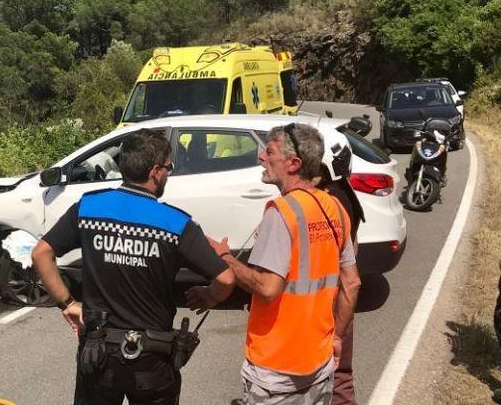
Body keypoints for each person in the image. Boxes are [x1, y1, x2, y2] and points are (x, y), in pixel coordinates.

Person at [31, 128, 236, 405]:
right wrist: (209, 296)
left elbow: (41, 254)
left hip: (98, 353)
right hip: (153, 359)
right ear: (155, 172)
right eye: (168, 167)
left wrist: (68, 303)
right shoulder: (175, 224)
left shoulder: (89, 208)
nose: (168, 173)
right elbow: (226, 278)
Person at [209, 123, 361, 405]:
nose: (261, 157)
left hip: (276, 370)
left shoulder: (282, 213)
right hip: (320, 361)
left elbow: (267, 288)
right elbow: (351, 283)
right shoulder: (335, 209)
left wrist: (225, 258)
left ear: (293, 164)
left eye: (269, 151)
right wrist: (336, 337)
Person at [315, 132, 364, 405]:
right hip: (341, 297)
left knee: (334, 379)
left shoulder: (329, 202)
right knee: (340, 378)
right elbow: (354, 249)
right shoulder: (346, 193)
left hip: (330, 301)